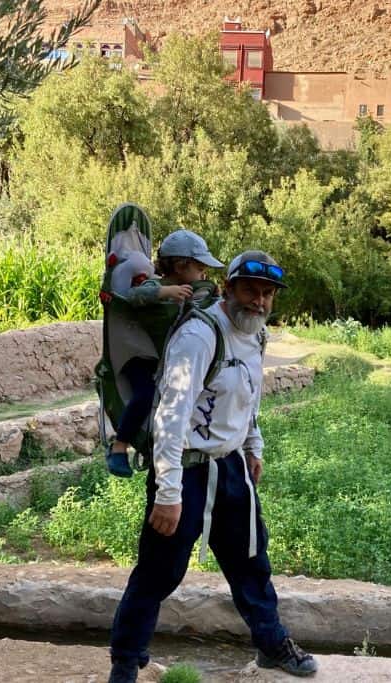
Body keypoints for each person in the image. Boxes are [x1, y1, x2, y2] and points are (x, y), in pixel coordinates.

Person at [108, 251, 318, 682]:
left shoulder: (257, 335)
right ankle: (126, 662)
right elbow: (171, 415)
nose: (258, 302)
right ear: (228, 288)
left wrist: (253, 446)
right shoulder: (200, 336)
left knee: (251, 561)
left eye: (267, 294)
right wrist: (169, 493)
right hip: (185, 471)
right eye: (249, 291)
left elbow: (248, 397)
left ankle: (271, 644)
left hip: (232, 468)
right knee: (158, 572)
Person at [105, 229, 224, 478]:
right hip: (139, 354)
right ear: (181, 266)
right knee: (145, 395)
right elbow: (132, 296)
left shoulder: (192, 290)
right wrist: (165, 293)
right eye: (200, 269)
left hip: (166, 359)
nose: (204, 275)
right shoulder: (155, 285)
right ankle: (119, 446)